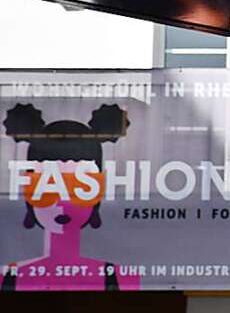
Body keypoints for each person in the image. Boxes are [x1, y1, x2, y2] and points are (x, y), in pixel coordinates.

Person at [2, 104, 140, 292]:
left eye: (80, 187)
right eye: (47, 185)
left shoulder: (120, 278)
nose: (62, 203)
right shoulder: (9, 277)